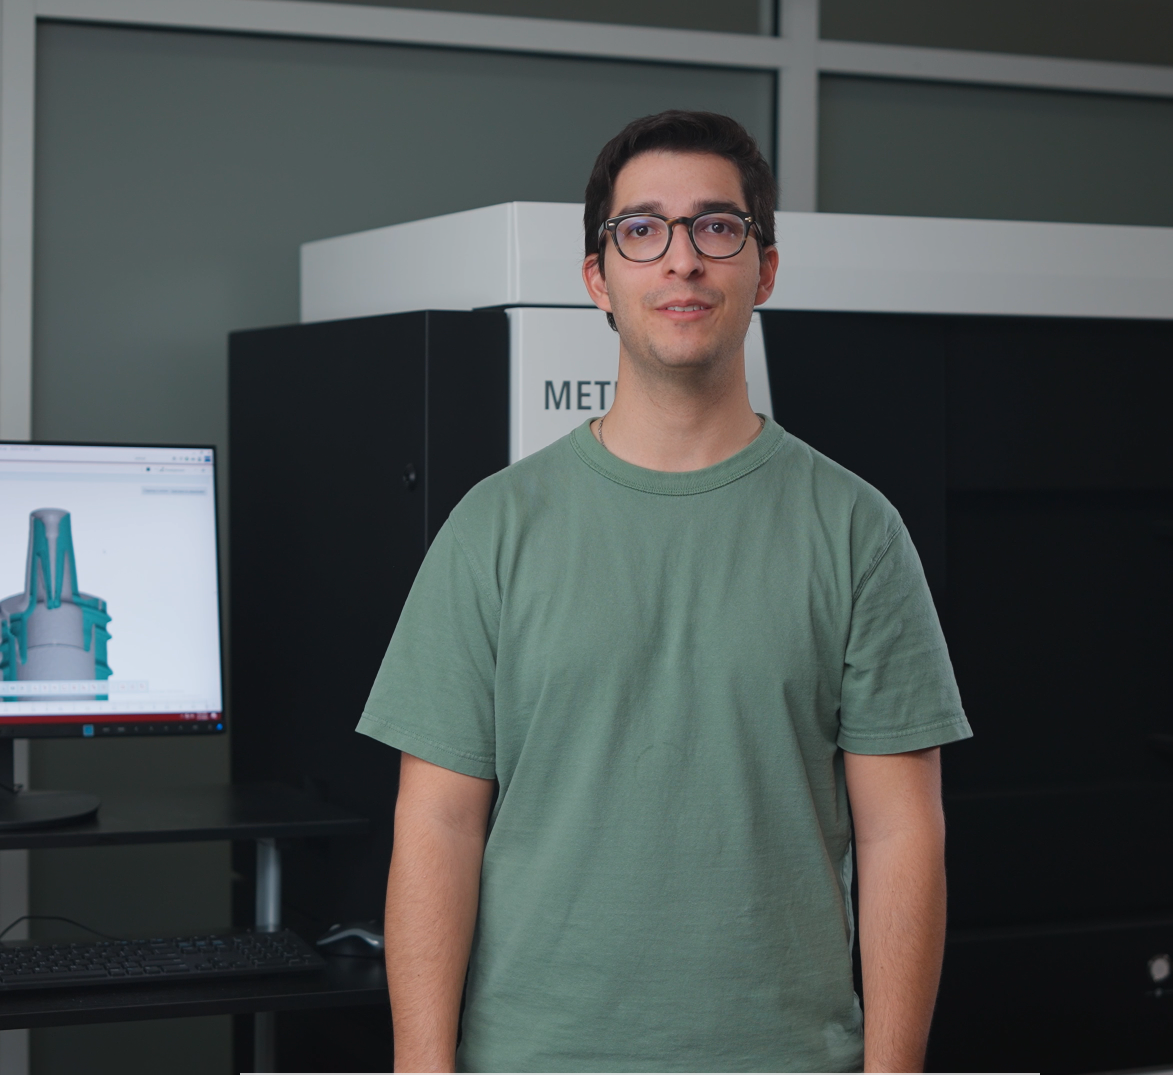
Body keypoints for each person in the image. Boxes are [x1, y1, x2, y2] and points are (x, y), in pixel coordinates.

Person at [358, 110, 969, 1073]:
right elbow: (436, 824)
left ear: (764, 268)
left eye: (716, 227)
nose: (680, 260)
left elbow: (901, 833)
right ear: (598, 278)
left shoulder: (856, 530)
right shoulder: (493, 528)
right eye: (641, 230)